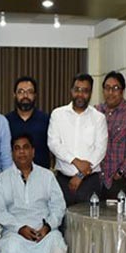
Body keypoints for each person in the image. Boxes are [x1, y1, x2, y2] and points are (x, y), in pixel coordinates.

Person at [0, 134, 67, 253]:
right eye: (17, 148)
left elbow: (58, 206)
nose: (22, 152)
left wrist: (48, 227)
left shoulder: (47, 176)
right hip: (15, 230)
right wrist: (19, 228)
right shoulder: (2, 179)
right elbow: (0, 212)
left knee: (59, 252)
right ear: (12, 153)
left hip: (44, 229)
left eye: (25, 147)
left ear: (33, 151)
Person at [47, 73, 108, 207]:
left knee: (89, 219)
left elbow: (100, 150)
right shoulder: (58, 114)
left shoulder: (99, 118)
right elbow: (53, 143)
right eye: (77, 89)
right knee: (61, 218)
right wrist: (75, 161)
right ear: (71, 91)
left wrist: (80, 175)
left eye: (85, 91)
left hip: (89, 182)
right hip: (63, 180)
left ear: (90, 93)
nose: (80, 94)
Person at [96, 71, 126, 199]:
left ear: (122, 91)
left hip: (118, 179)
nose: (110, 92)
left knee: (113, 212)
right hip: (96, 177)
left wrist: (121, 172)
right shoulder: (97, 111)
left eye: (115, 88)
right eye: (107, 88)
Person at [5, 76, 51, 169]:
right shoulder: (5, 121)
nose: (25, 96)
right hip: (12, 174)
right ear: (14, 95)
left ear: (35, 95)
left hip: (41, 174)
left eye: (29, 92)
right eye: (21, 92)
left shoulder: (47, 120)